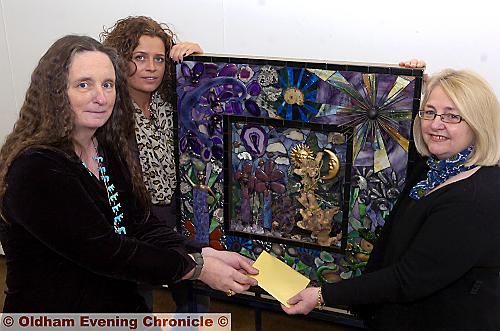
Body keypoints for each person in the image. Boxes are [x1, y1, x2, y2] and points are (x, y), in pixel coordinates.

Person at [0, 35, 257, 312]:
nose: (100, 97)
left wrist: (202, 252)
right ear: (55, 92)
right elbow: (107, 252)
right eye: (83, 85)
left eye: (108, 85)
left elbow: (139, 223)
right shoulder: (36, 167)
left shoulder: (104, 147)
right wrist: (198, 269)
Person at [282, 69, 500, 330]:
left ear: (479, 122)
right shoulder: (435, 169)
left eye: (452, 116)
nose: (435, 123)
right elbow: (386, 133)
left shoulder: (476, 198)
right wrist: (407, 85)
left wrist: (322, 295)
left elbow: (408, 279)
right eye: (429, 112)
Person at [100, 16, 210, 312]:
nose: (151, 67)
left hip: (179, 214)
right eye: (140, 57)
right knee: (137, 299)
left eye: (159, 59)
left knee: (196, 297)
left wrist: (198, 60)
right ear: (120, 60)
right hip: (137, 221)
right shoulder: (108, 112)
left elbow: (210, 99)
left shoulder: (171, 102)